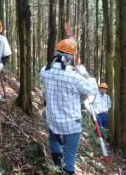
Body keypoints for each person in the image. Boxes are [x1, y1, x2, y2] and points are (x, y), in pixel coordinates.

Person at [39, 39, 94, 175]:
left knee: (54, 142)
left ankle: (58, 167)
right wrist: (85, 74)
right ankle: (67, 171)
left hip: (53, 119)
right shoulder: (74, 77)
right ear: (70, 57)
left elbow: (55, 74)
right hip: (71, 122)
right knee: (69, 152)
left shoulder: (44, 71)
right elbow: (91, 90)